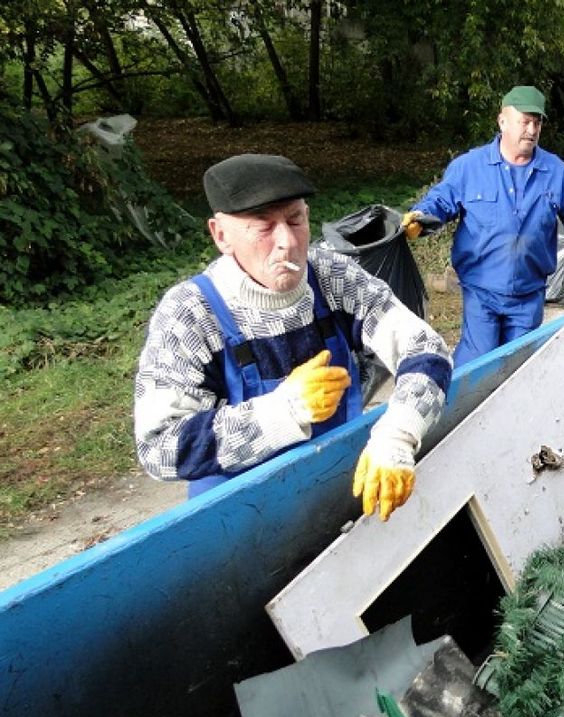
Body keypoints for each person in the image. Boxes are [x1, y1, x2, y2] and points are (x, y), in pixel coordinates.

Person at [134, 153, 453, 521]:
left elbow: (427, 349)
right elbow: (158, 447)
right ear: (221, 235)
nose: (287, 242)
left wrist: (399, 434)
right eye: (264, 227)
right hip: (239, 522)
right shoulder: (190, 313)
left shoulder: (332, 278)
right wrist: (280, 413)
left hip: (338, 493)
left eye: (295, 220)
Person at [402, 85, 564, 367]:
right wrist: (420, 217)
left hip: (528, 295)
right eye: (524, 121)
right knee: (477, 364)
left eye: (537, 123)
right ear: (503, 121)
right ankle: (454, 405)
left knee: (518, 369)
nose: (532, 129)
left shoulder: (556, 173)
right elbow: (441, 201)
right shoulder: (469, 167)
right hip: (481, 291)